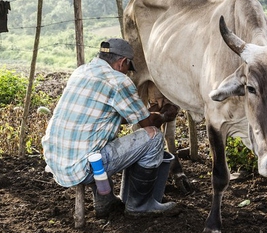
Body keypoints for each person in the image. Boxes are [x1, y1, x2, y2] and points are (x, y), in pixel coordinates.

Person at [42, 38, 180, 218]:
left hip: (56, 159)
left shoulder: (81, 71)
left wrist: (145, 113)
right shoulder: (118, 81)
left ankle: (105, 201)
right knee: (154, 137)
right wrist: (164, 116)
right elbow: (147, 124)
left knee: (98, 140)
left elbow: (103, 116)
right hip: (82, 167)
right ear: (122, 62)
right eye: (128, 67)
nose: (128, 72)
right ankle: (140, 205)